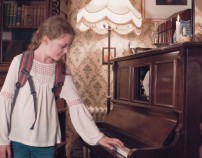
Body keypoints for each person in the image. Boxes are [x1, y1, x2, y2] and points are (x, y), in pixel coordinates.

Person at [0, 16, 124, 158]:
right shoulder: (20, 61)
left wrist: (97, 137)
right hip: (16, 140)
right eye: (63, 45)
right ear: (45, 40)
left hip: (46, 144)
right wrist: (2, 140)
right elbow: (5, 101)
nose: (66, 51)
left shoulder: (62, 70)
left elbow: (76, 105)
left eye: (68, 46)